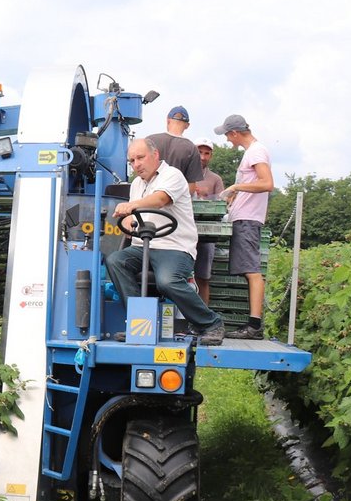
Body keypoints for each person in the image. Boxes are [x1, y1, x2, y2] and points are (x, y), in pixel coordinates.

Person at [105, 138, 225, 346]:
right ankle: (140, 323)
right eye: (132, 161)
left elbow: (160, 200)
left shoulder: (173, 176)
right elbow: (131, 218)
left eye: (140, 158)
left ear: (155, 155)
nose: (136, 164)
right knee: (115, 261)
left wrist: (131, 207)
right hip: (143, 246)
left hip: (174, 248)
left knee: (167, 281)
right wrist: (126, 217)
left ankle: (211, 323)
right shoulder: (136, 184)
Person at [212, 114, 273, 339]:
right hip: (243, 217)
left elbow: (267, 183)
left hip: (248, 220)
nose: (228, 140)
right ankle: (253, 325)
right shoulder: (252, 153)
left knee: (252, 272)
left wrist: (237, 185)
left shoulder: (256, 151)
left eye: (228, 135)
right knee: (249, 271)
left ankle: (254, 326)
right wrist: (235, 195)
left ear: (235, 133)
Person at [192, 138, 226, 304]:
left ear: (211, 156)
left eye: (207, 153)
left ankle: (203, 321)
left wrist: (207, 197)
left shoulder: (215, 179)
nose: (203, 157)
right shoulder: (182, 174)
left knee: (203, 277)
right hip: (184, 231)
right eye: (200, 152)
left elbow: (223, 203)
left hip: (206, 234)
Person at [146, 105, 203, 195]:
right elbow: (191, 188)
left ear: (168, 120)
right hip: (174, 204)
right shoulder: (192, 149)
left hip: (148, 200)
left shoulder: (149, 141)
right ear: (187, 125)